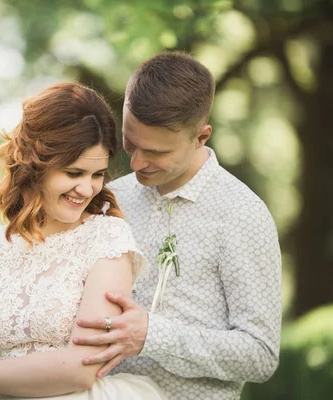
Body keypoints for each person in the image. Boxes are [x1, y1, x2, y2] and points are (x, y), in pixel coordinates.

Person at [0, 82, 167, 399]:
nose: (87, 189)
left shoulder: (107, 238)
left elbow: (80, 368)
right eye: (74, 173)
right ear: (34, 165)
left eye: (97, 175)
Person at [73, 51, 282, 399]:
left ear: (202, 137)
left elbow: (260, 355)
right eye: (130, 142)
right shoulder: (109, 199)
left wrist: (153, 336)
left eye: (155, 152)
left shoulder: (243, 214)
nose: (137, 162)